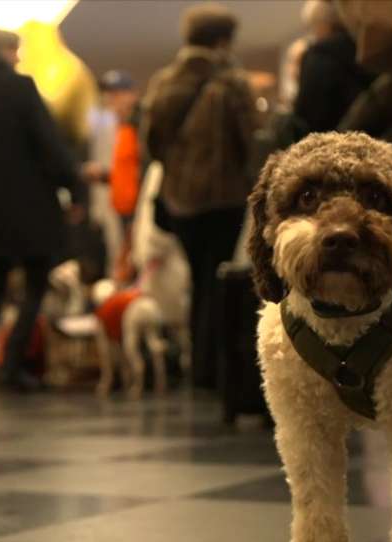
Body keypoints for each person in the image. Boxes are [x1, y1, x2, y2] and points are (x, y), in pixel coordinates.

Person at [0, 28, 94, 395]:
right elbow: (49, 145)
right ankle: (11, 366)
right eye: (16, 51)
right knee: (33, 286)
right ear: (5, 51)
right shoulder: (21, 88)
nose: (19, 57)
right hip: (30, 207)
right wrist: (75, 188)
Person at [142, 2, 257, 389]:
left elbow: (152, 142)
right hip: (224, 198)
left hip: (179, 200)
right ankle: (216, 369)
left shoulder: (165, 80)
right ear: (223, 39)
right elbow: (252, 141)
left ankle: (198, 367)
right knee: (219, 279)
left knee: (196, 275)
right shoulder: (233, 82)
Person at [293, 0, 373, 135]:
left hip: (327, 145)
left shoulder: (317, 57)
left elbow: (306, 113)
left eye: (314, 26)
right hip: (368, 139)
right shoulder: (367, 49)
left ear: (324, 25)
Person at [95, 70, 142, 284]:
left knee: (137, 266)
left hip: (138, 211)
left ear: (132, 94)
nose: (111, 100)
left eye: (117, 93)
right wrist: (104, 175)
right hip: (122, 210)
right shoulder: (120, 128)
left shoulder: (140, 125)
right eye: (108, 95)